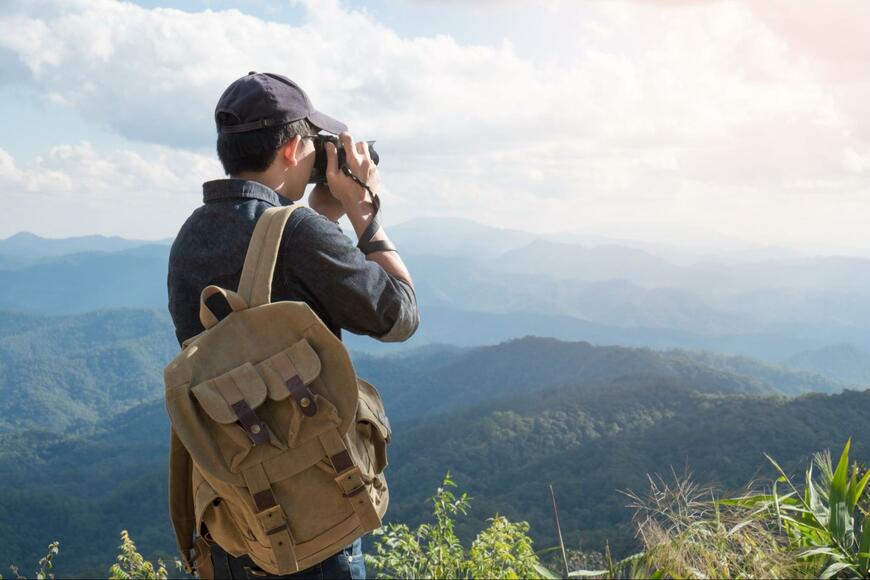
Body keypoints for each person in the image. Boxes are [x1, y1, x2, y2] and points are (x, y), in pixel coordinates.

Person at [166, 71, 419, 579]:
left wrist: (319, 221)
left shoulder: (189, 237)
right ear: (291, 148)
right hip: (315, 520)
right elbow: (400, 316)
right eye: (314, 144)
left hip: (238, 517)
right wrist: (365, 216)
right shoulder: (300, 234)